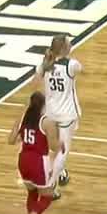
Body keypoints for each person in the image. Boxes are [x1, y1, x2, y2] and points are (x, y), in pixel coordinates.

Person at [7, 91, 62, 214]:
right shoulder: (46, 121)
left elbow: (11, 140)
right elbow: (53, 146)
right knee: (48, 196)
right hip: (38, 161)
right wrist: (60, 142)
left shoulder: (26, 121)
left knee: (32, 192)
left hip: (23, 160)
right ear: (43, 105)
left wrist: (17, 121)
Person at [35, 34, 80, 188]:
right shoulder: (72, 65)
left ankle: (59, 174)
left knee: (53, 147)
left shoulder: (44, 66)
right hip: (67, 114)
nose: (71, 45)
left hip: (50, 113)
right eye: (69, 43)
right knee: (63, 150)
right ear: (64, 48)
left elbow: (36, 80)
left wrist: (48, 61)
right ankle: (50, 185)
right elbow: (81, 69)